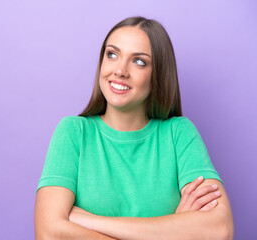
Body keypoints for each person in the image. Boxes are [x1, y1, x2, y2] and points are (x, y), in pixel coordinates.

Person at [34, 16, 234, 239]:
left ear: (158, 74)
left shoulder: (179, 133)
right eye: (112, 54)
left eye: (139, 61)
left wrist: (89, 220)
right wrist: (174, 229)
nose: (120, 70)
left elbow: (219, 230)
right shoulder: (74, 132)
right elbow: (49, 233)